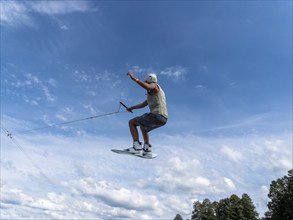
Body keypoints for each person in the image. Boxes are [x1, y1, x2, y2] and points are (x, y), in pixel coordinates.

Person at [125, 71, 168, 157]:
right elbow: (143, 104)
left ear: (148, 81)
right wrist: (131, 108)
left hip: (157, 115)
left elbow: (149, 86)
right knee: (143, 127)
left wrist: (135, 79)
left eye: (146, 82)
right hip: (163, 119)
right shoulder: (153, 94)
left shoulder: (154, 86)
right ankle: (147, 149)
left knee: (132, 122)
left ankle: (136, 147)